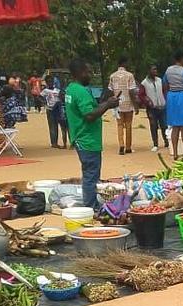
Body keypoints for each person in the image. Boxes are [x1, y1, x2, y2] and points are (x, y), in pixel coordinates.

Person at [64, 59, 119, 211]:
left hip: (81, 137)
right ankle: (90, 207)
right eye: (88, 72)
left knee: (90, 174)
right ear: (81, 73)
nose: (91, 75)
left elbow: (91, 108)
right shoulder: (81, 92)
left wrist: (106, 103)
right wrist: (108, 105)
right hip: (87, 139)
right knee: (91, 175)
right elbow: (89, 115)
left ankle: (91, 203)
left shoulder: (71, 89)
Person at [107, 57, 138, 155]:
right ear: (124, 63)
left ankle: (121, 145)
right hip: (128, 104)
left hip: (117, 104)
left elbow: (110, 90)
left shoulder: (112, 76)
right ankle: (128, 147)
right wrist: (135, 105)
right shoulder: (130, 75)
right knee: (128, 125)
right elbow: (131, 91)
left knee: (119, 125)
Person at [139, 66, 168, 152]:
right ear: (149, 71)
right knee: (153, 125)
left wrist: (165, 100)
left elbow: (164, 90)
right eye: (153, 69)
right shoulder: (144, 83)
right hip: (152, 108)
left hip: (162, 106)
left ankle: (167, 141)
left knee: (164, 125)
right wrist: (147, 102)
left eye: (156, 69)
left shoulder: (160, 80)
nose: (155, 71)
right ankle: (155, 144)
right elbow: (141, 95)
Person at [42, 77, 69, 149]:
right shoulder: (45, 91)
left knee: (63, 127)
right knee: (52, 126)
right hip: (50, 109)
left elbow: (63, 98)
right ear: (46, 83)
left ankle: (65, 143)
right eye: (48, 82)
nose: (50, 83)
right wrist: (44, 102)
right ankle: (54, 143)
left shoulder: (57, 90)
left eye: (51, 81)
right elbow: (40, 97)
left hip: (58, 109)